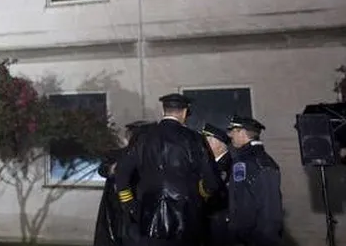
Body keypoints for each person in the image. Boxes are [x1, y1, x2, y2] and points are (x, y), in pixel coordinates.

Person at [114, 93, 220, 245]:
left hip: (149, 218)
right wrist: (200, 196)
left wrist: (129, 204)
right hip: (186, 220)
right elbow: (211, 182)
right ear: (184, 112)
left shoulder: (143, 137)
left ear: (163, 111)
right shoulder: (194, 139)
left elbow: (121, 172)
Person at [225, 116, 283, 246]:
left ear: (242, 132)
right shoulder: (243, 159)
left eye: (233, 131)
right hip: (243, 236)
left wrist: (267, 239)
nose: (230, 135)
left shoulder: (260, 162)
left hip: (256, 238)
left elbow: (270, 208)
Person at [94, 121, 148, 246]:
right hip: (118, 209)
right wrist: (114, 169)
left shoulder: (149, 156)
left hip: (137, 208)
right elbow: (104, 169)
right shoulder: (118, 155)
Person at [200, 123, 231, 245]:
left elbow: (216, 192)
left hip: (221, 221)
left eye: (206, 141)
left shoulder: (227, 165)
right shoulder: (211, 164)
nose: (203, 146)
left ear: (218, 143)